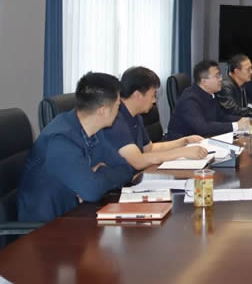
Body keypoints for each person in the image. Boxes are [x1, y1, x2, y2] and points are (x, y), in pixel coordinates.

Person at [18, 72, 135, 222]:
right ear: (103, 110)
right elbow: (92, 191)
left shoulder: (94, 131)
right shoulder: (60, 140)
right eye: (118, 106)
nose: (119, 113)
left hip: (74, 216)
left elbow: (126, 169)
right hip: (46, 228)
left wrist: (96, 175)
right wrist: (95, 178)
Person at [105, 67, 209, 170]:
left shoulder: (136, 116)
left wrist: (184, 141)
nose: (154, 100)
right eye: (153, 95)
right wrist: (182, 152)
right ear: (137, 95)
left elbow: (149, 149)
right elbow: (137, 161)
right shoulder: (115, 118)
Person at [166, 60, 250, 140]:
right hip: (181, 145)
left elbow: (221, 117)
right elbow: (203, 128)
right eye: (217, 76)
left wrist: (243, 120)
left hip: (202, 140)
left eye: (220, 75)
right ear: (204, 82)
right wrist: (236, 125)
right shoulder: (189, 99)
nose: (221, 79)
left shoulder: (210, 94)